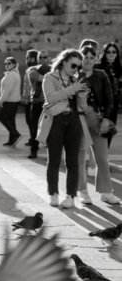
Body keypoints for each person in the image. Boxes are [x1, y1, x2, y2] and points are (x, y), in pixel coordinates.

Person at [37, 49, 89, 208]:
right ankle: (53, 193)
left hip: (74, 120)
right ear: (64, 61)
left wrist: (82, 94)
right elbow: (51, 97)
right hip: (56, 120)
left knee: (73, 162)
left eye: (78, 67)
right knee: (54, 160)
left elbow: (83, 106)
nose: (75, 69)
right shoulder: (49, 77)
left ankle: (71, 196)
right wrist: (73, 89)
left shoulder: (76, 80)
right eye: (73, 65)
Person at [77, 46, 120, 205]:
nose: (88, 60)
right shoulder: (74, 76)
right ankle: (83, 192)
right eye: (85, 57)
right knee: (80, 159)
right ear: (80, 58)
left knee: (102, 159)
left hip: (98, 121)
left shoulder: (101, 75)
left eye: (91, 57)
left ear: (96, 59)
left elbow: (110, 99)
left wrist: (106, 120)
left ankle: (106, 192)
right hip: (79, 121)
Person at [25, 50, 51, 159]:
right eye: (40, 57)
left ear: (49, 58)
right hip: (37, 103)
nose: (43, 59)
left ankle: (51, 152)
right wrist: (50, 77)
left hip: (50, 103)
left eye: (45, 57)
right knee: (34, 128)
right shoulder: (33, 69)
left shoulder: (54, 69)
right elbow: (35, 77)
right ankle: (34, 150)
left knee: (51, 129)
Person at [96, 42, 122, 141]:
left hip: (114, 104)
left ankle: (106, 150)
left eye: (114, 52)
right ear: (104, 53)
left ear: (117, 54)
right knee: (100, 131)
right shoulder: (99, 67)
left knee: (110, 131)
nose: (111, 54)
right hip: (102, 104)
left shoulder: (119, 68)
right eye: (108, 52)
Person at [0, 56, 22, 146]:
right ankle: (12, 140)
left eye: (9, 63)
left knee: (2, 118)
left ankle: (16, 134)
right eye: (5, 64)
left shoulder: (11, 74)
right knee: (11, 120)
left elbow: (7, 89)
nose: (7, 65)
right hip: (14, 100)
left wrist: (2, 100)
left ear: (14, 64)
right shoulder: (14, 73)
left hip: (10, 101)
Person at [22, 50, 39, 147]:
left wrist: (25, 97)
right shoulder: (39, 69)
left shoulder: (30, 70)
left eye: (27, 57)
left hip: (31, 100)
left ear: (32, 58)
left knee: (31, 121)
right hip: (37, 99)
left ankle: (33, 139)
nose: (26, 59)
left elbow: (28, 86)